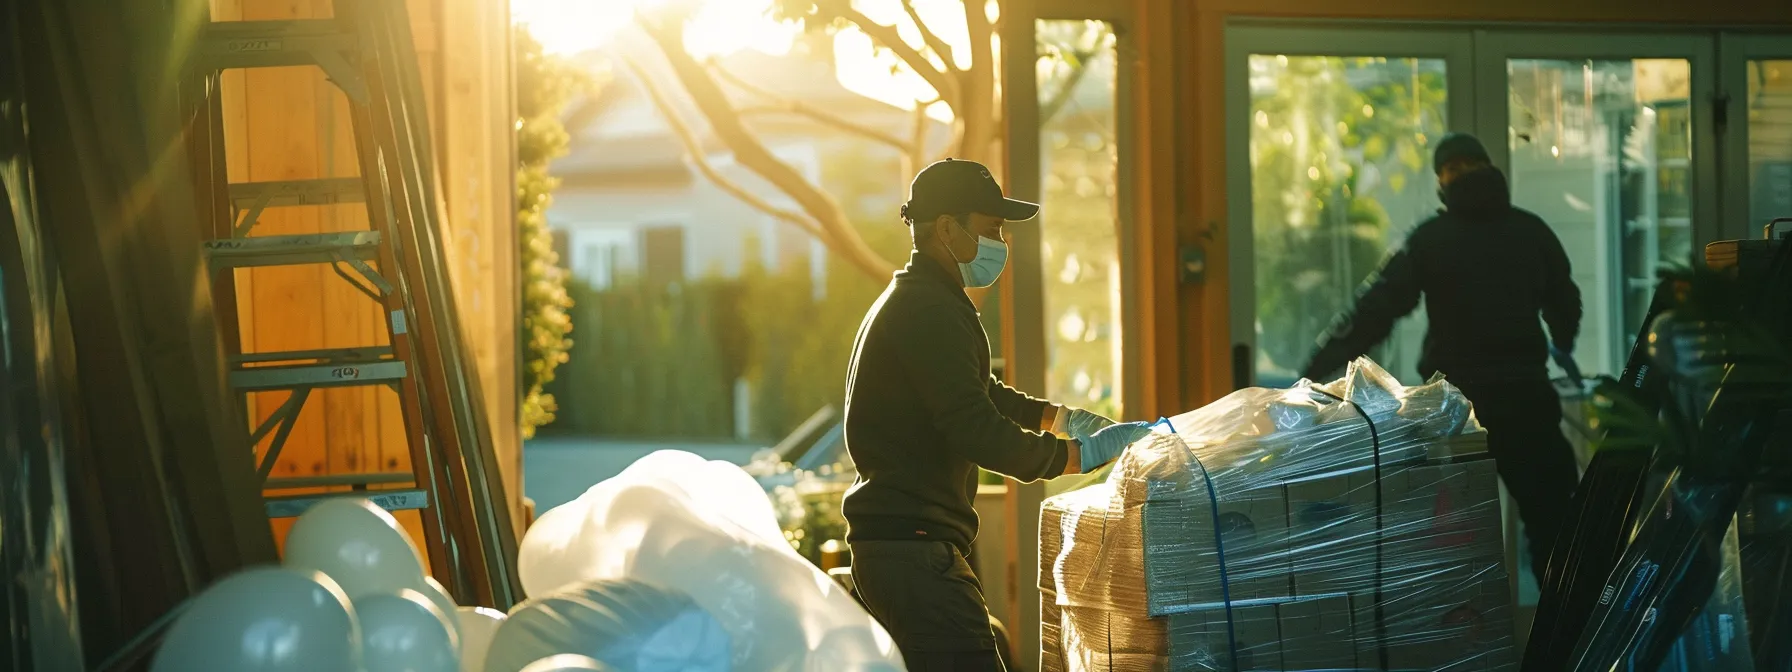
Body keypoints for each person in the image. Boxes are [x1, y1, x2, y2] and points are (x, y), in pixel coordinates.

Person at [842, 158, 1153, 671]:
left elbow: (978, 391)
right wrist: (1077, 456)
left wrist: (1059, 418)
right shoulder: (930, 310)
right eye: (991, 229)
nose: (1001, 243)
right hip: (915, 554)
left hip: (901, 551)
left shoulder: (921, 300)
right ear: (947, 228)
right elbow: (975, 429)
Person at [1299, 133, 1584, 583]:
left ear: (1443, 180)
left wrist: (1314, 370)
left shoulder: (1430, 240)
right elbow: (1566, 302)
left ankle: (1468, 622)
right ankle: (1565, 622)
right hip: (1527, 402)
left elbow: (1375, 310)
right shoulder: (1531, 232)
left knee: (1451, 539)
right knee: (1558, 533)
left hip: (1456, 413)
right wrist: (1563, 342)